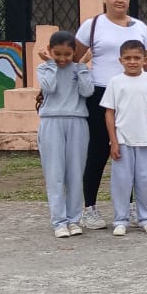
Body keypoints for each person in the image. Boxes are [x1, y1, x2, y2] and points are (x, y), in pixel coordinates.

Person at [71, 0, 147, 230]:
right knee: (98, 151)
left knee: (129, 152)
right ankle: (90, 208)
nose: (120, 0)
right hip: (100, 94)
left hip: (132, 95)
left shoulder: (140, 27)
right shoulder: (92, 26)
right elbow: (74, 59)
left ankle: (129, 207)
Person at [100, 39, 147, 236]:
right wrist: (113, 141)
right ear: (120, 60)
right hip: (123, 141)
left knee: (144, 181)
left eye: (137, 58)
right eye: (127, 58)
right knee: (121, 183)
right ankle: (121, 220)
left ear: (145, 60)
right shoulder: (115, 82)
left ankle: (146, 219)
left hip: (145, 140)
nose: (132, 62)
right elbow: (109, 113)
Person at [36, 29, 93, 238]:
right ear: (50, 50)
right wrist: (50, 64)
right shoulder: (44, 68)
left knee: (75, 173)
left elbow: (87, 91)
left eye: (67, 54)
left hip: (77, 122)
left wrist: (83, 67)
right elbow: (49, 88)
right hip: (51, 122)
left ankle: (74, 220)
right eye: (57, 54)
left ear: (74, 52)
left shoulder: (79, 69)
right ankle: (59, 222)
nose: (62, 59)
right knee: (55, 173)